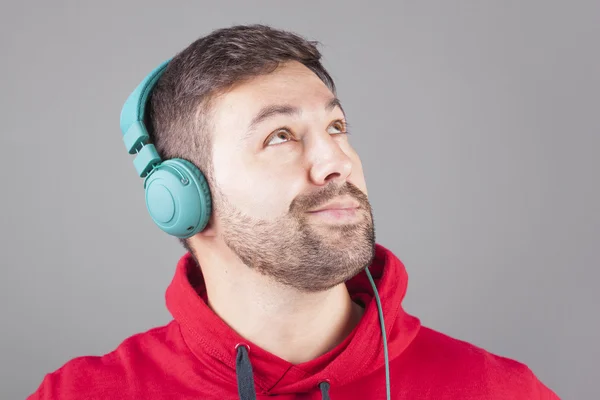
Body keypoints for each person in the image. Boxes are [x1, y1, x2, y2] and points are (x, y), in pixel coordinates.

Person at [28, 24, 559, 400]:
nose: (337, 163)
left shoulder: (501, 391)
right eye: (280, 136)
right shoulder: (80, 395)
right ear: (183, 198)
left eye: (336, 127)